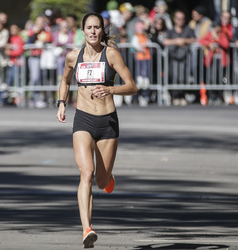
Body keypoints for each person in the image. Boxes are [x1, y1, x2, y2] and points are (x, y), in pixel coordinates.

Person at [56, 12, 137, 248]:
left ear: (102, 31)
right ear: (82, 31)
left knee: (101, 181)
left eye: (97, 27)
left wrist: (110, 90)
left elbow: (132, 87)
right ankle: (86, 229)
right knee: (86, 174)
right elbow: (65, 81)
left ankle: (108, 178)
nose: (92, 31)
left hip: (108, 123)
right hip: (83, 120)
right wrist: (62, 103)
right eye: (88, 27)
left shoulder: (110, 55)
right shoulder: (73, 56)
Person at [163, 10, 195, 106]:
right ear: (174, 19)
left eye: (182, 19)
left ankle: (182, 96)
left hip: (185, 58)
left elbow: (194, 39)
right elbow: (165, 41)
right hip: (173, 58)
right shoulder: (170, 31)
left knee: (184, 77)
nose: (181, 20)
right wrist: (176, 41)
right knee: (174, 76)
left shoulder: (188, 29)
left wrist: (183, 40)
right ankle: (175, 96)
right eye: (178, 18)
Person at [199, 22, 230, 105]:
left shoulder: (222, 34)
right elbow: (200, 40)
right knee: (211, 78)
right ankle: (211, 96)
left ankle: (219, 96)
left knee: (219, 78)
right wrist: (209, 43)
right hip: (211, 60)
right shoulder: (209, 34)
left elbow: (225, 44)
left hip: (220, 60)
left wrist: (216, 37)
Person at [132, 21, 151, 107]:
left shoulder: (145, 36)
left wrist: (146, 44)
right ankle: (138, 97)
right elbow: (134, 44)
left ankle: (145, 96)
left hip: (146, 57)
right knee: (139, 74)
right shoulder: (136, 36)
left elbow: (150, 43)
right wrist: (140, 48)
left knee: (146, 75)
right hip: (140, 57)